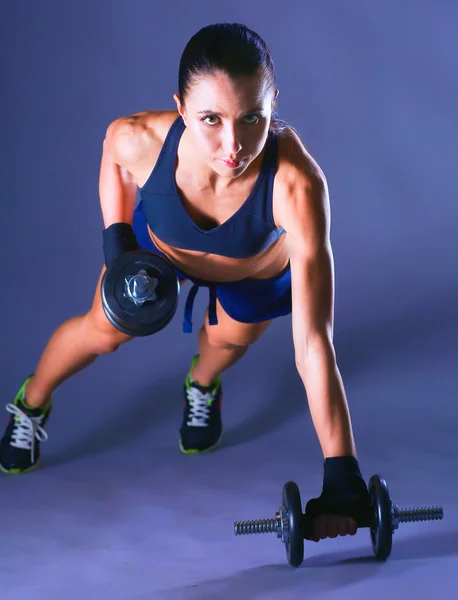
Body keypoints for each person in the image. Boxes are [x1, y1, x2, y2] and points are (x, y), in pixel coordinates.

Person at [0, 23, 371, 542]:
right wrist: (117, 243)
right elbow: (112, 155)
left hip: (253, 277)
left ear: (273, 103)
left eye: (252, 118)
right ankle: (31, 401)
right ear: (180, 108)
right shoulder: (142, 138)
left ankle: (201, 386)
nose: (233, 144)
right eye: (211, 120)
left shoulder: (297, 185)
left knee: (226, 342)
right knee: (103, 332)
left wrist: (342, 473)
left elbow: (313, 345)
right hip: (162, 257)